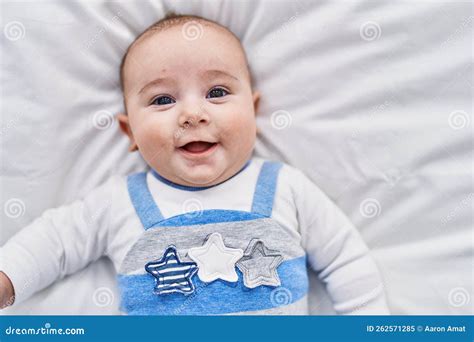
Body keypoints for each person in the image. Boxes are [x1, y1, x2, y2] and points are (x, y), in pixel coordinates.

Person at [0, 13, 389, 315]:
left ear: (253, 112)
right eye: (162, 100)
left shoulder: (285, 187)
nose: (191, 113)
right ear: (129, 132)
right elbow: (55, 241)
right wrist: (8, 277)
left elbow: (346, 259)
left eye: (217, 92)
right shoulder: (119, 201)